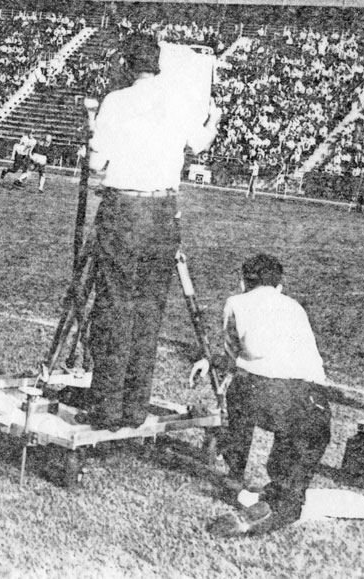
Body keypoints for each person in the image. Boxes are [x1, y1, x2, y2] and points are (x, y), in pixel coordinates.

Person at [75, 34, 221, 431]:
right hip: (163, 212)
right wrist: (214, 118)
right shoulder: (176, 100)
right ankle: (133, 407)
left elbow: (98, 159)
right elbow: (200, 142)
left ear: (126, 65)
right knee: (149, 309)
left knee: (114, 307)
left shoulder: (117, 101)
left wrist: (91, 125)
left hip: (125, 209)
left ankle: (106, 409)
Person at [191, 254, 331, 536]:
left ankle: (235, 476)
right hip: (307, 398)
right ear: (279, 286)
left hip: (258, 395)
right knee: (302, 445)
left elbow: (234, 355)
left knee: (241, 389)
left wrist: (209, 361)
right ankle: (283, 496)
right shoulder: (295, 307)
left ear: (243, 281)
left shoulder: (235, 302)